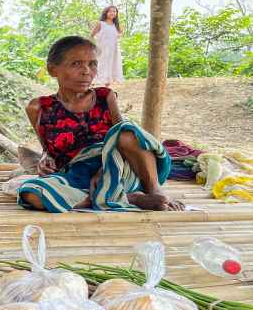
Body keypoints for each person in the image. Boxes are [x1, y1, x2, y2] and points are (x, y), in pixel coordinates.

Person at [18, 36, 183, 213]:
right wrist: (45, 158)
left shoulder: (106, 97)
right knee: (32, 194)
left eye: (92, 64)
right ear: (52, 70)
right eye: (76, 64)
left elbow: (123, 137)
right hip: (77, 175)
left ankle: (153, 190)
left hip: (121, 170)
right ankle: (125, 198)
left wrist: (106, 167)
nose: (86, 71)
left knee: (127, 133)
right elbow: (48, 148)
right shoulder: (39, 108)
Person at [90, 5, 124, 87]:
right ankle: (92, 83)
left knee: (111, 64)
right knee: (99, 64)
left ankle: (107, 85)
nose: (113, 13)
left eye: (115, 11)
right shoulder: (100, 24)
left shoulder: (116, 25)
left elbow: (119, 36)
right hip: (102, 48)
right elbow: (91, 35)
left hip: (113, 50)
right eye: (111, 11)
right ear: (106, 12)